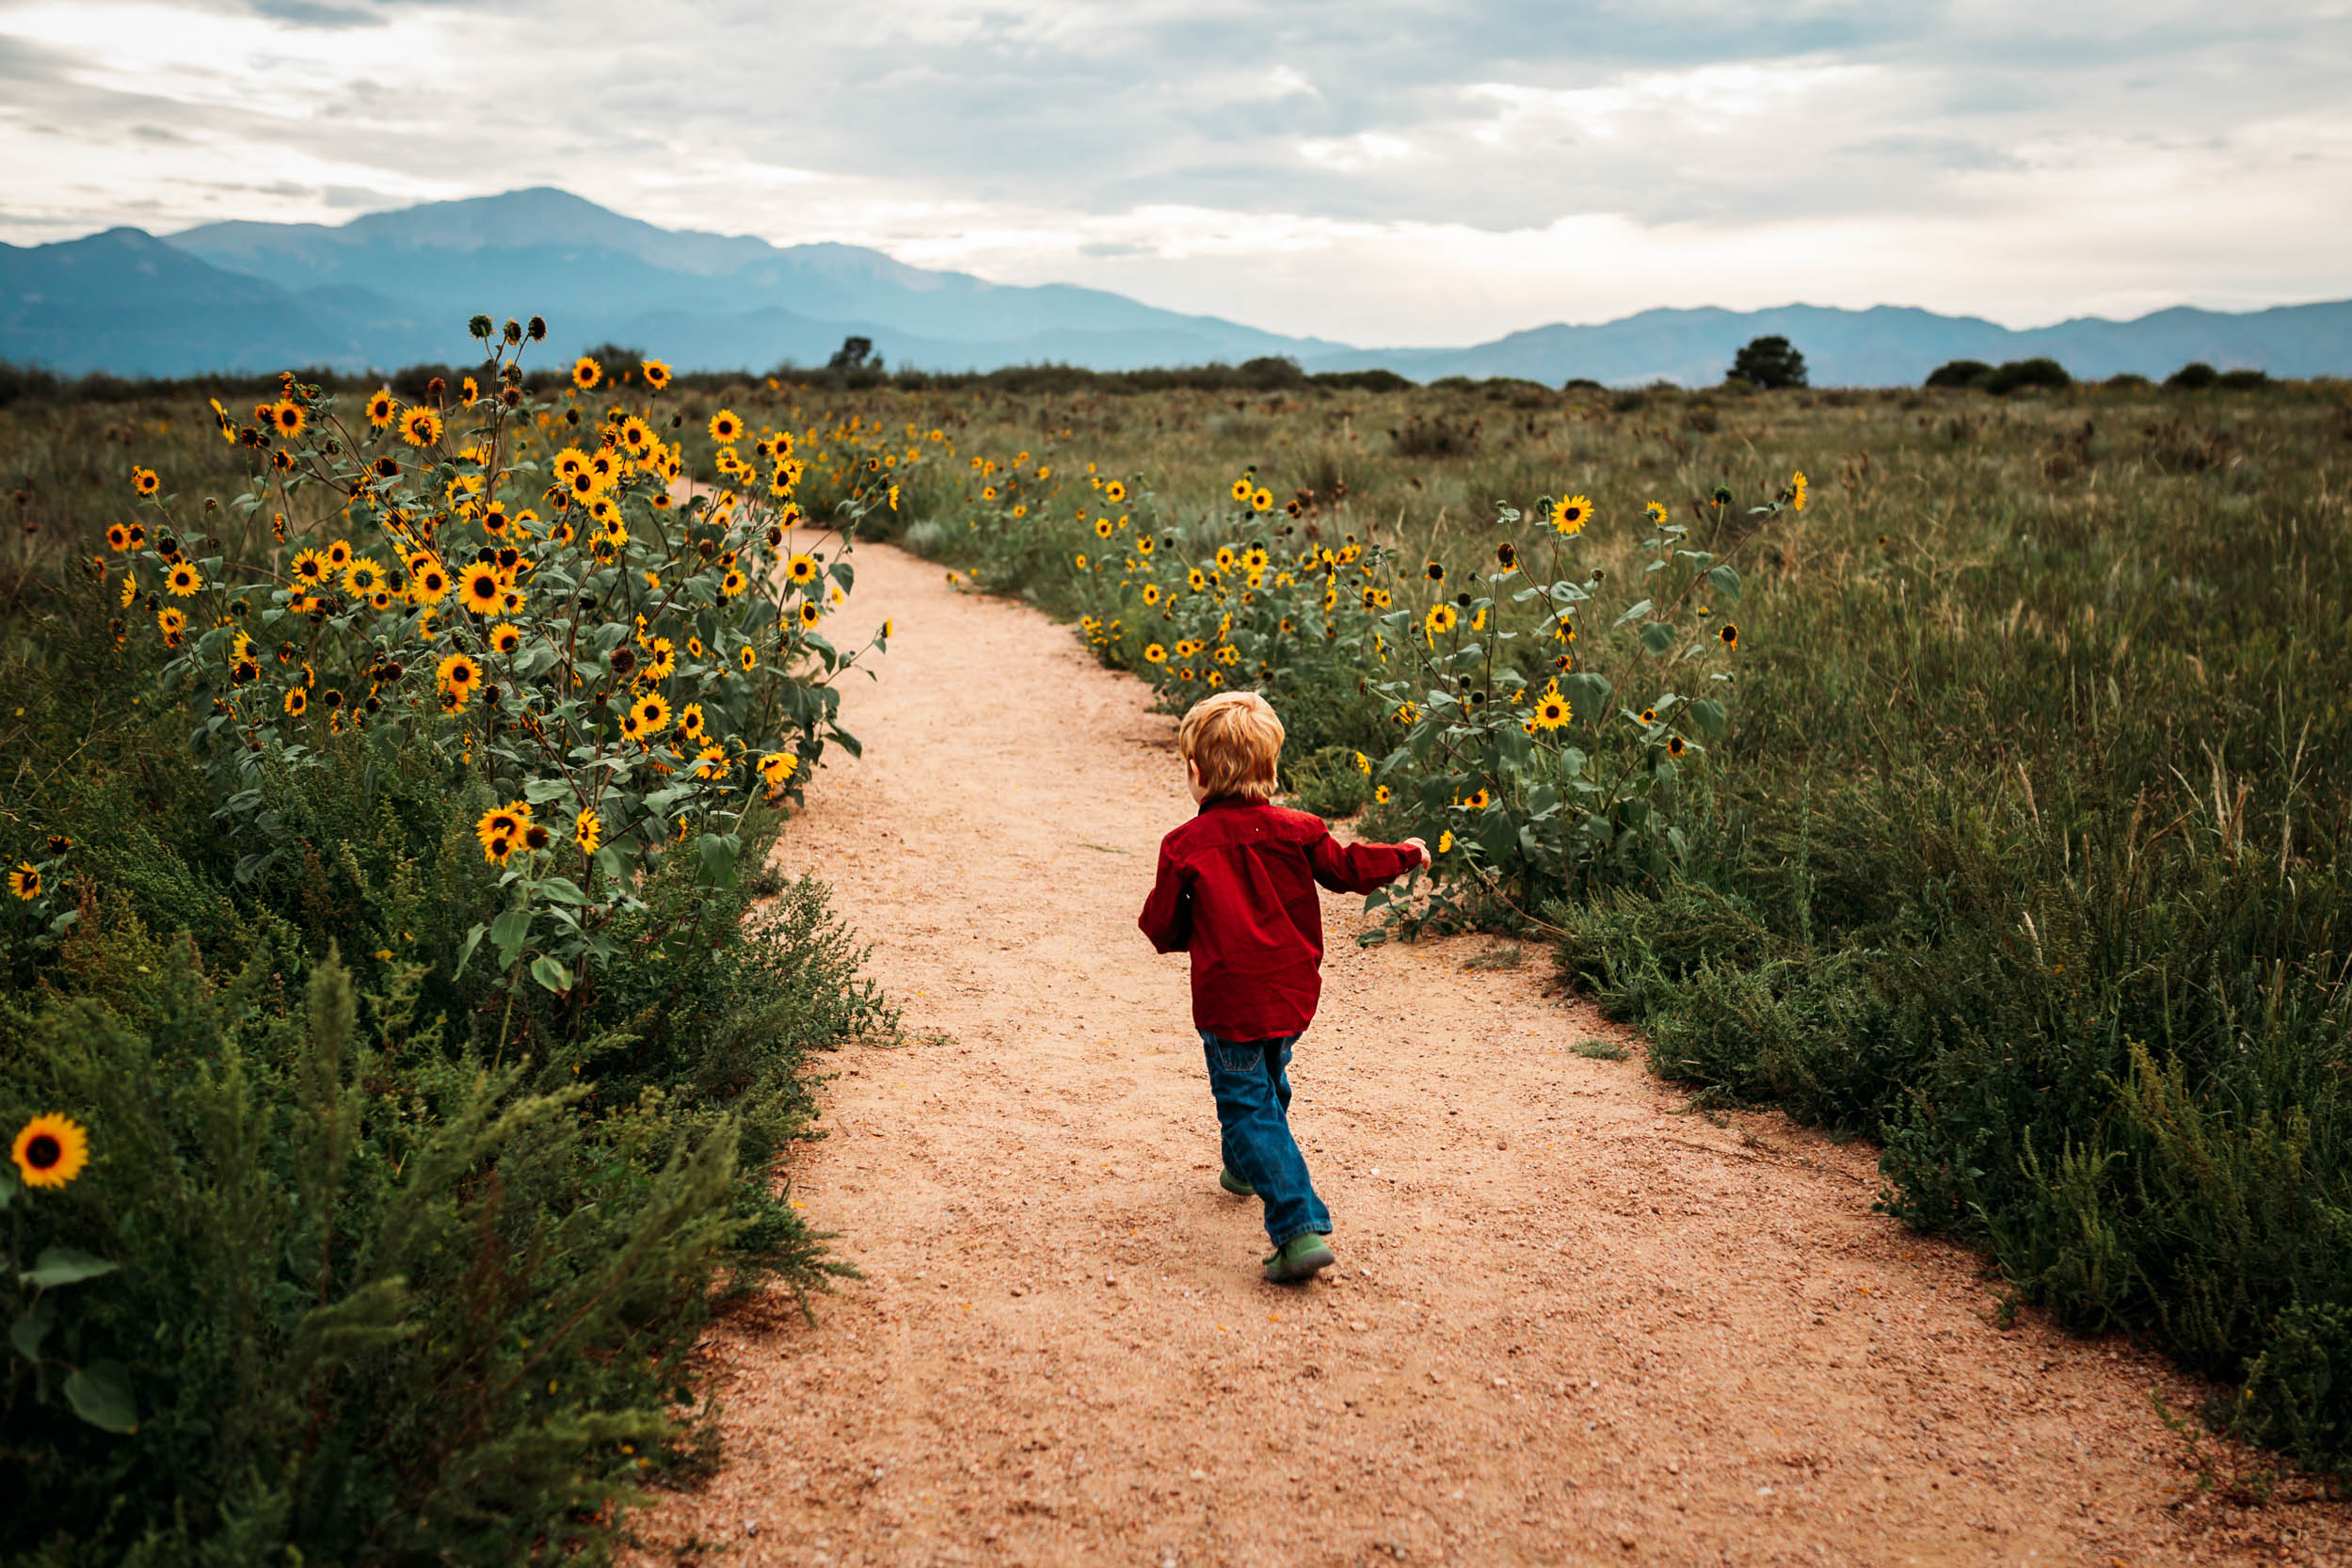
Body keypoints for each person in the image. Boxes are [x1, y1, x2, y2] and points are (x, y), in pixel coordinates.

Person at [1137, 691, 1428, 1282]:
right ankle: (1246, 1167)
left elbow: (1163, 927)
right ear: (1272, 769)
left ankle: (1298, 1227)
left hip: (1228, 999)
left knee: (1247, 1103)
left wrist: (1185, 929)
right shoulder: (1300, 830)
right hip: (1292, 993)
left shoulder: (1184, 846)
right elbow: (1348, 868)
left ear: (1195, 773)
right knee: (1266, 1081)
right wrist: (1403, 854)